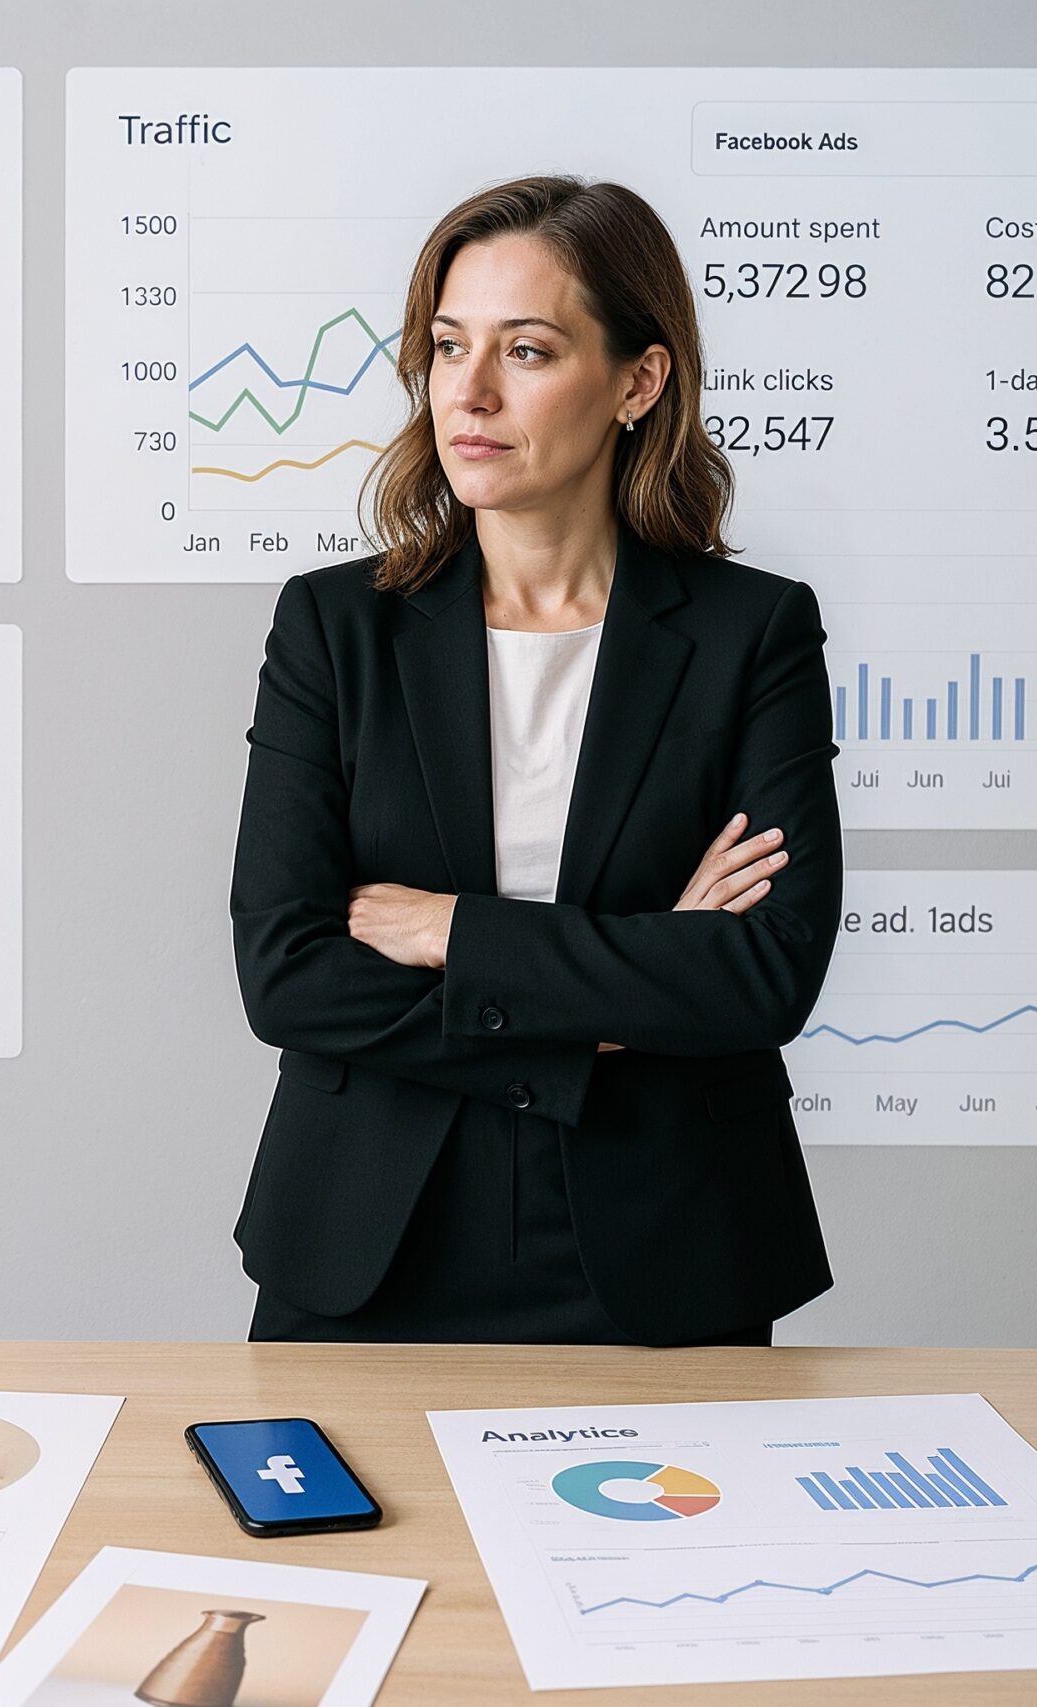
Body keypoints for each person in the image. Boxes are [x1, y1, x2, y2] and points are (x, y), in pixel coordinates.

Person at [228, 175, 841, 1346]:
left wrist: (452, 932)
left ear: (636, 381)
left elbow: (764, 976)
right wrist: (617, 998)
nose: (469, 390)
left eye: (527, 349)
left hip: (669, 1241)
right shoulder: (334, 629)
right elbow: (288, 973)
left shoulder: (749, 633)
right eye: (448, 345)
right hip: (365, 1238)